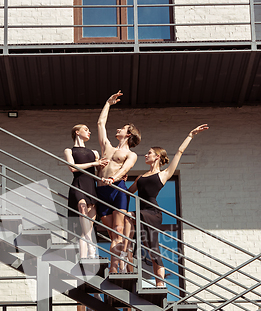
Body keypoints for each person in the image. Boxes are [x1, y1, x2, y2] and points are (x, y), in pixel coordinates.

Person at [127, 124, 209, 286]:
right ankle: (127, 253)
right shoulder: (141, 177)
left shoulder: (164, 174)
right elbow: (128, 192)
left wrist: (190, 135)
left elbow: (179, 152)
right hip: (141, 211)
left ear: (157, 156)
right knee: (139, 239)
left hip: (152, 212)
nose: (146, 155)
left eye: (149, 153)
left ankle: (160, 282)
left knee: (152, 247)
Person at [97, 90, 141, 273]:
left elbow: (126, 169)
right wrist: (108, 103)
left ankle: (115, 270)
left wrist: (113, 178)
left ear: (129, 134)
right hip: (101, 190)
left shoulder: (131, 154)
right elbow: (100, 123)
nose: (118, 129)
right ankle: (126, 259)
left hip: (117, 189)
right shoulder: (107, 147)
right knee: (114, 234)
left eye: (122, 128)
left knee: (117, 230)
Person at [65, 124, 108, 259]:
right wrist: (94, 164)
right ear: (77, 132)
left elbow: (100, 171)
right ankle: (91, 246)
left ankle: (85, 256)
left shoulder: (94, 152)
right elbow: (73, 167)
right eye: (86, 129)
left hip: (91, 187)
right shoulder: (69, 151)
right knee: (82, 209)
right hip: (78, 184)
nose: (89, 132)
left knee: (88, 228)